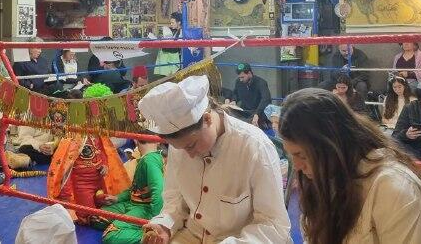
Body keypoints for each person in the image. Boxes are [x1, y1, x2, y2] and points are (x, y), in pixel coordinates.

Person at [279, 89, 421, 244]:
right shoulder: (327, 177)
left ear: (332, 145)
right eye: (292, 155)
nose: (297, 166)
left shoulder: (392, 188)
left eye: (302, 155)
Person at [139, 76, 291, 244]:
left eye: (191, 145)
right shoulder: (181, 147)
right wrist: (165, 225)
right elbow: (174, 199)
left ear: (207, 119)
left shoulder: (255, 147)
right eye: (179, 148)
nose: (189, 155)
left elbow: (274, 225)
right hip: (191, 235)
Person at [47, 84, 130, 225]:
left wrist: (105, 165)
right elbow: (64, 167)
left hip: (100, 179)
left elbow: (104, 152)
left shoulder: (98, 131)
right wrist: (66, 196)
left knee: (109, 204)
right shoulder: (72, 133)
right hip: (82, 183)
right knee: (88, 217)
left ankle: (98, 202)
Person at [97, 136, 165, 244]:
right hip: (131, 203)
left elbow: (158, 190)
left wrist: (157, 221)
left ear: (136, 140)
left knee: (111, 235)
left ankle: (153, 238)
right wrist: (117, 198)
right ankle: (132, 226)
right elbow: (135, 188)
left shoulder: (150, 160)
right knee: (97, 218)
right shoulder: (145, 158)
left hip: (144, 208)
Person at [227, 63, 272, 129]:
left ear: (249, 73)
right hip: (244, 111)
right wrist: (234, 100)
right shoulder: (238, 82)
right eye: (239, 77)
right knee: (228, 115)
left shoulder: (261, 83)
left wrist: (257, 113)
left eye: (242, 77)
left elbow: (266, 99)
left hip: (258, 112)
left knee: (246, 125)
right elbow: (235, 93)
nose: (240, 80)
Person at [154, 12, 183, 77]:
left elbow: (176, 47)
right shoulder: (175, 31)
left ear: (179, 22)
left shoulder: (181, 32)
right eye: (170, 23)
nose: (171, 24)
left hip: (174, 57)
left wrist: (163, 44)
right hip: (170, 56)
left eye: (173, 23)